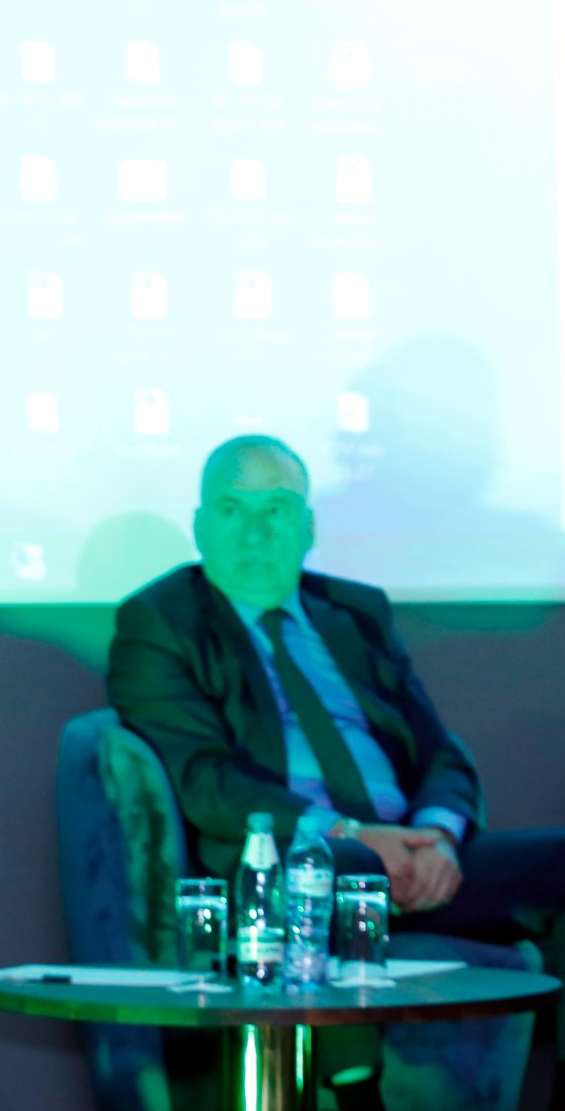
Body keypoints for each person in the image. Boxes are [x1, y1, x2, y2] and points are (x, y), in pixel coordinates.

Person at [109, 434, 565, 1111]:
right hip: (287, 859)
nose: (255, 533)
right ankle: (357, 1096)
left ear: (308, 527)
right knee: (329, 865)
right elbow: (206, 782)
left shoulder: (355, 612)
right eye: (233, 510)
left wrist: (437, 836)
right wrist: (354, 834)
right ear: (201, 527)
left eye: (276, 510)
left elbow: (439, 750)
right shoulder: (160, 620)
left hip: (413, 851)